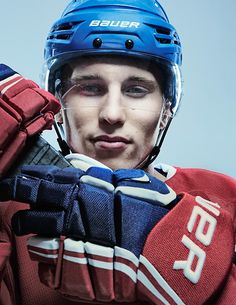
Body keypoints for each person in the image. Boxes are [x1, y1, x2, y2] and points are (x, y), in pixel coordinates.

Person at [0, 1, 235, 305]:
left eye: (136, 89)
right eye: (90, 88)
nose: (112, 114)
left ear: (166, 109)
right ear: (58, 104)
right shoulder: (12, 210)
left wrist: (199, 276)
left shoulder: (223, 201)